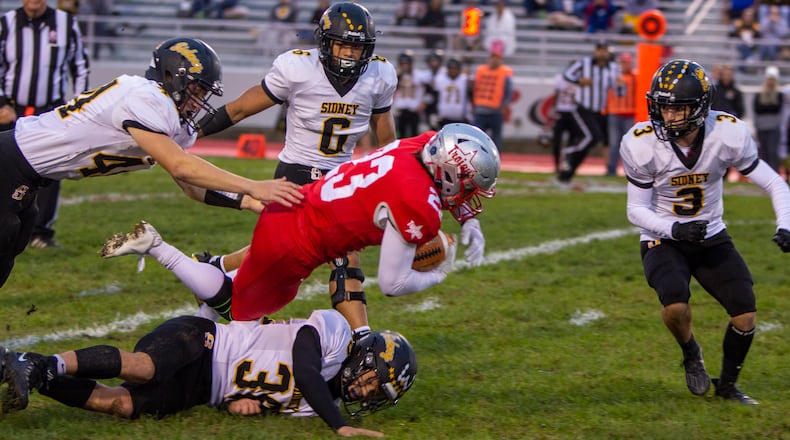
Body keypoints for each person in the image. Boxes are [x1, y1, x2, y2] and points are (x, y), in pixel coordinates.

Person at [195, 3, 488, 336]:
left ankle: (217, 269)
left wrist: (462, 212)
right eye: (343, 44)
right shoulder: (298, 68)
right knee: (301, 256)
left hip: (342, 178)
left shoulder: (379, 76)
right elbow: (238, 110)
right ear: (324, 42)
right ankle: (361, 338)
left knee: (302, 253)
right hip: (297, 172)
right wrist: (192, 133)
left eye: (357, 47)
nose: (349, 53)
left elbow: (388, 144)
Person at [100, 124, 500, 329]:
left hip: (296, 207)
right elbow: (394, 283)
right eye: (469, 185)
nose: (470, 194)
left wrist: (468, 218)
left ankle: (205, 301)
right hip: (296, 245)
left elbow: (432, 176)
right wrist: (438, 274)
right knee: (237, 310)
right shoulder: (417, 204)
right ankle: (159, 248)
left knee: (240, 292)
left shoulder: (418, 146)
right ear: (449, 173)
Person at [0, 37, 304, 289]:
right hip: (10, 161)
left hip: (29, 175)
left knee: (13, 244)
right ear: (172, 76)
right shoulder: (146, 96)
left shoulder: (169, 116)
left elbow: (191, 185)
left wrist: (248, 202)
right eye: (196, 90)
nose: (198, 101)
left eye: (203, 93)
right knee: (6, 234)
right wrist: (253, 185)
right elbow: (181, 166)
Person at [620, 59, 790, 405]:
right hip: (663, 235)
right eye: (663, 107)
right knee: (675, 306)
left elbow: (774, 182)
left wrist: (786, 224)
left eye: (678, 108)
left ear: (699, 108)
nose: (668, 116)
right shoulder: (641, 142)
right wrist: (675, 229)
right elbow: (635, 210)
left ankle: (727, 387)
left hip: (711, 233)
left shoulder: (726, 133)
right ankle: (690, 351)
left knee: (745, 315)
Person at [0, 309, 417, 437]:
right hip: (205, 341)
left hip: (205, 390)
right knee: (146, 367)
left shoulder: (315, 407)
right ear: (365, 358)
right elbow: (304, 370)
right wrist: (339, 425)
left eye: (375, 393)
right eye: (372, 379)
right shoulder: (335, 334)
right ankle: (46, 363)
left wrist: (240, 407)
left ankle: (31, 372)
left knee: (123, 406)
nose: (366, 391)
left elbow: (261, 399)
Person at [0, 0, 90, 250]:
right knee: (5, 168)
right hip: (11, 110)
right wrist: (1, 103)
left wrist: (79, 108)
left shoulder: (65, 23)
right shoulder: (6, 23)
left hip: (50, 110)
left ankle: (40, 232)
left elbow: (80, 67)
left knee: (50, 170)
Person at [557, 41, 616, 184]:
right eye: (600, 50)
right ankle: (569, 152)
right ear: (595, 51)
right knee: (592, 137)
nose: (602, 53)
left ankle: (567, 174)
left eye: (605, 51)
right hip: (583, 108)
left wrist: (620, 85)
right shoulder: (584, 63)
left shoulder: (613, 68)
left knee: (591, 141)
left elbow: (619, 91)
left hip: (599, 111)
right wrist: (579, 81)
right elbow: (567, 75)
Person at [470, 41, 513, 152]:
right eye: (493, 57)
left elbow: (509, 91)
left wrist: (504, 105)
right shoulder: (480, 70)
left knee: (496, 140)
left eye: (497, 58)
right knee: (476, 139)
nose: (494, 60)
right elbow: (474, 88)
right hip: (480, 110)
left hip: (496, 111)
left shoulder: (505, 72)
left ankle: (495, 158)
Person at [604, 52, 636, 176]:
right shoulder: (612, 77)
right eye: (623, 63)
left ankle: (632, 171)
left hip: (630, 114)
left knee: (630, 145)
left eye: (626, 63)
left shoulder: (635, 77)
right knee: (614, 144)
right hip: (615, 113)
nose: (624, 65)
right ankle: (611, 170)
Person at [752, 65, 784, 172]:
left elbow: (776, 109)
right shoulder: (759, 94)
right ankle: (764, 174)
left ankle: (774, 173)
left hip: (773, 127)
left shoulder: (779, 94)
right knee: (763, 152)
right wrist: (770, 107)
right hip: (762, 127)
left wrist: (766, 107)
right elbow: (758, 109)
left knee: (772, 152)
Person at [434, 57, 471, 127]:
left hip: (461, 118)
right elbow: (435, 96)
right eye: (451, 68)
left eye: (455, 68)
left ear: (459, 69)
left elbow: (470, 95)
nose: (453, 70)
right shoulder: (440, 79)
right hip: (444, 117)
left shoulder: (465, 80)